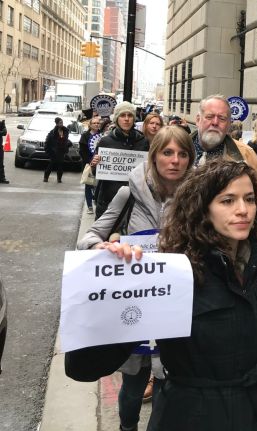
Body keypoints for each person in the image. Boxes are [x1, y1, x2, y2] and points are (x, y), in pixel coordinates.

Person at [65, 159, 257, 430]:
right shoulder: (172, 270)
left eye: (249, 199)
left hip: (256, 414)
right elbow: (84, 367)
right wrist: (116, 288)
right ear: (203, 208)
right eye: (227, 201)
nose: (243, 210)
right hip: (188, 415)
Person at [76, 126, 193, 431]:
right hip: (135, 311)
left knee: (171, 386)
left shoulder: (198, 198)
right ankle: (127, 427)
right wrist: (104, 247)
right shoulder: (128, 193)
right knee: (132, 388)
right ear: (154, 156)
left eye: (183, 154)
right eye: (167, 152)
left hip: (177, 310)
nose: (175, 160)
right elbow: (89, 237)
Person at [192, 94, 257, 221]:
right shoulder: (178, 150)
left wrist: (245, 225)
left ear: (229, 124)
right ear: (198, 119)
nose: (215, 122)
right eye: (209, 117)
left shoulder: (245, 154)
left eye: (222, 118)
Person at [91, 101, 149, 219]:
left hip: (135, 201)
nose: (126, 119)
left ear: (134, 118)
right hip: (108, 200)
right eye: (122, 115)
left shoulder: (143, 142)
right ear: (117, 119)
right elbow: (96, 173)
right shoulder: (105, 141)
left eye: (130, 115)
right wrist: (95, 164)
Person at [79, 116, 101, 213]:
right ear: (90, 125)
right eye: (94, 123)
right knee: (88, 184)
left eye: (98, 123)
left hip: (100, 164)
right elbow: (82, 151)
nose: (96, 124)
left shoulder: (102, 135)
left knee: (98, 185)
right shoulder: (85, 136)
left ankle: (96, 201)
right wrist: (90, 162)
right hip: (88, 164)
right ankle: (89, 206)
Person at [43, 117, 72, 183]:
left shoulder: (65, 131)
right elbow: (48, 141)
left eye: (62, 122)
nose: (61, 124)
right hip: (54, 152)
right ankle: (46, 177)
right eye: (60, 123)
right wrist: (49, 150)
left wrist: (67, 144)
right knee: (51, 164)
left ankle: (59, 179)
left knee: (60, 165)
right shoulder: (53, 132)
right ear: (57, 124)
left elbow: (65, 140)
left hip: (61, 151)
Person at [0, 119, 8, 184]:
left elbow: (4, 132)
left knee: (0, 163)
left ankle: (2, 178)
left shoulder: (1, 123)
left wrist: (3, 124)